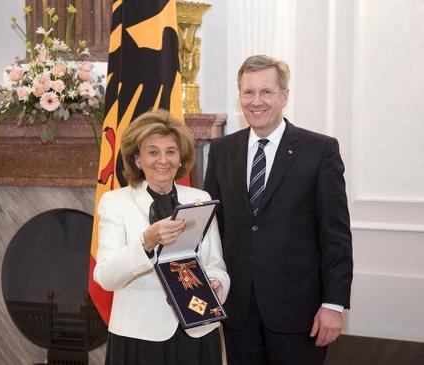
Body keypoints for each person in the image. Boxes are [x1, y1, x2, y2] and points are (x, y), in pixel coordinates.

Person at [204, 55, 353, 365]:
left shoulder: (320, 150)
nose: (256, 101)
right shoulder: (221, 151)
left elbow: (335, 234)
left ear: (284, 96)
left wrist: (333, 304)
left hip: (300, 313)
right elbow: (211, 228)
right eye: (248, 92)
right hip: (238, 309)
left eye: (266, 92)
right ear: (240, 96)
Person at [94, 109, 230, 365]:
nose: (163, 160)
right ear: (137, 159)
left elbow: (216, 265)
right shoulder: (115, 203)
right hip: (139, 338)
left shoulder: (199, 199)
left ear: (181, 158)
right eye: (152, 151)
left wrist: (217, 284)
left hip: (198, 332)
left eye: (171, 151)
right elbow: (105, 277)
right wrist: (146, 242)